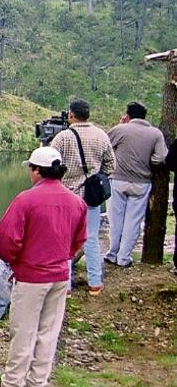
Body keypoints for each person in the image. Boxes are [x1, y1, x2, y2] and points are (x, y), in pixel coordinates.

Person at [0, 147, 86, 387]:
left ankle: (12, 386)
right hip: (60, 275)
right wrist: (64, 256)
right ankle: (38, 384)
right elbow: (80, 240)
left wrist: (14, 261)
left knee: (23, 331)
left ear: (36, 170)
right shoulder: (76, 202)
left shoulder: (26, 200)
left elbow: (8, 239)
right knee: (49, 330)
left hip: (31, 276)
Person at [50, 99, 116, 295]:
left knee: (65, 240)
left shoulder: (62, 137)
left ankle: (65, 286)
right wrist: (95, 177)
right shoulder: (101, 135)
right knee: (91, 238)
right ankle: (95, 282)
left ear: (71, 115)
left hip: (67, 195)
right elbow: (111, 166)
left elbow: (50, 164)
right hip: (91, 196)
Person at [106, 102, 167, 268]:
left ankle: (112, 253)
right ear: (144, 115)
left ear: (128, 115)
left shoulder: (120, 130)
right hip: (142, 182)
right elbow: (160, 158)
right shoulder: (156, 133)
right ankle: (124, 258)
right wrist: (149, 163)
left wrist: (120, 125)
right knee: (133, 222)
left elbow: (106, 148)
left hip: (118, 180)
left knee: (115, 219)